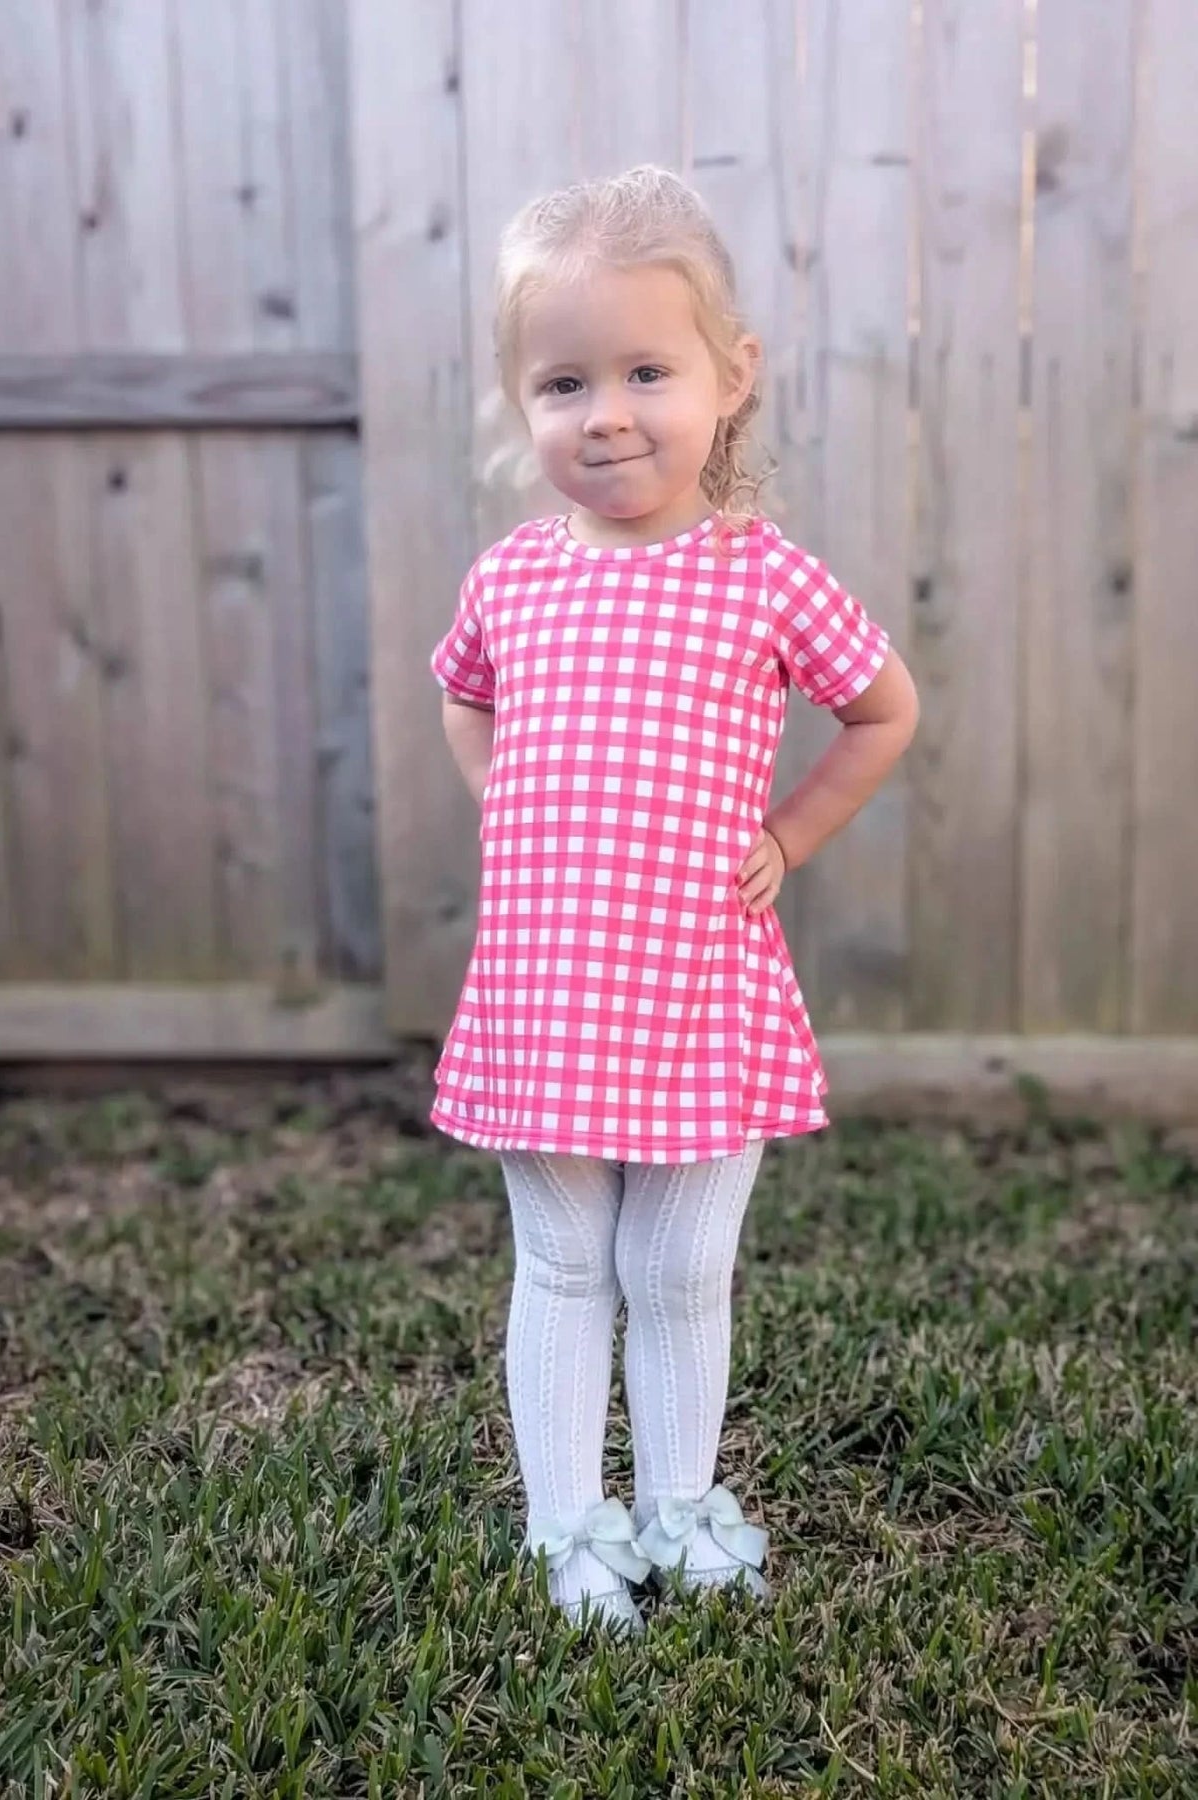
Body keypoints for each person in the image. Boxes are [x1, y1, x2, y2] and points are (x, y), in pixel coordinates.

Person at [429, 166, 919, 1638]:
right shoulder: (513, 579)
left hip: (700, 986)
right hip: (546, 989)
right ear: (524, 400)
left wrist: (792, 834)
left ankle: (682, 1502)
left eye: (648, 370)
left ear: (731, 377)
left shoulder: (759, 575)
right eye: (564, 381)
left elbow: (885, 710)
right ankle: (567, 1526)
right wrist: (505, 800)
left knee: (681, 1260)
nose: (609, 413)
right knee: (566, 1262)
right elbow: (462, 697)